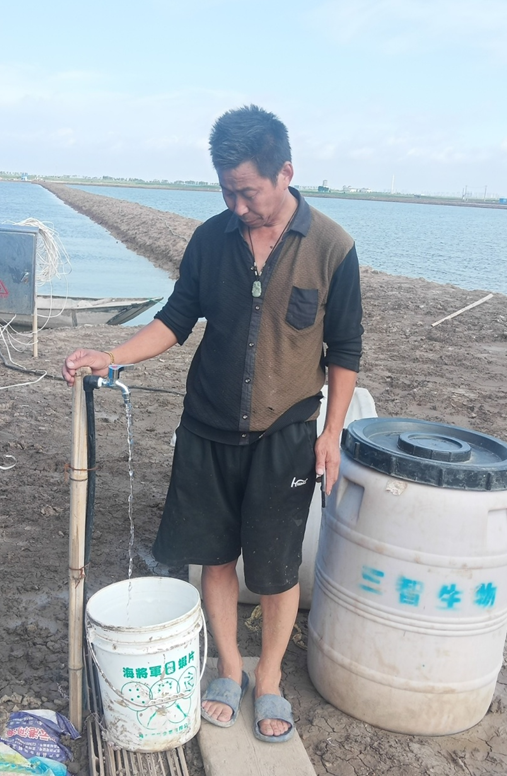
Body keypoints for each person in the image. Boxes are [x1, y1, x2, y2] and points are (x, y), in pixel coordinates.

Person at [62, 105, 363, 743]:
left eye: (248, 192)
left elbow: (345, 351)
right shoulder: (210, 239)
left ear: (285, 173)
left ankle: (270, 677)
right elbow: (175, 320)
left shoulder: (332, 247)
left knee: (277, 568)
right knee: (215, 558)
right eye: (227, 191)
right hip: (207, 427)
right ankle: (229, 668)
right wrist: (111, 356)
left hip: (286, 433)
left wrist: (331, 433)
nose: (237, 205)